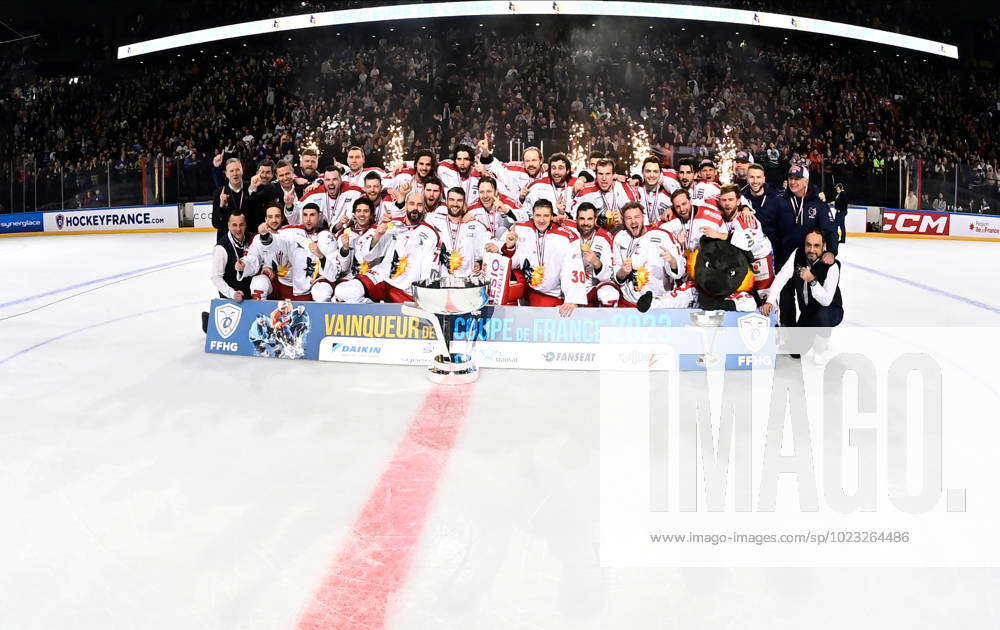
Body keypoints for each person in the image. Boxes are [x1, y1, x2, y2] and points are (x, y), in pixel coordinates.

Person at [333, 191, 441, 303]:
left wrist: (423, 294)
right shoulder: (393, 224)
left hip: (405, 288)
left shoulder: (430, 233)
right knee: (342, 291)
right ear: (406, 205)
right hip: (382, 278)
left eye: (419, 205)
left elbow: (428, 267)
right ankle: (375, 308)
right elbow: (368, 257)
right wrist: (378, 235)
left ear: (424, 208)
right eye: (412, 204)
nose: (415, 208)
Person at [491, 198, 587, 316]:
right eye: (538, 215)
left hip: (552, 295)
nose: (541, 220)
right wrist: (510, 247)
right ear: (533, 215)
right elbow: (511, 261)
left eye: (546, 216)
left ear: (552, 216)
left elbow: (573, 269)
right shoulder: (520, 229)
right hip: (527, 290)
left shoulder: (567, 237)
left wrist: (572, 300)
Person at [761, 228, 843, 363]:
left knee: (823, 317)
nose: (811, 249)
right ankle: (810, 334)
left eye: (816, 246)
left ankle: (820, 348)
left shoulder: (832, 266)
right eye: (808, 244)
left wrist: (812, 281)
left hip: (830, 310)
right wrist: (770, 301)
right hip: (808, 312)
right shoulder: (798, 254)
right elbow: (782, 277)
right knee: (795, 351)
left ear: (824, 246)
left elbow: (826, 301)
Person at [702, 184, 775, 299]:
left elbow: (749, 242)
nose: (727, 203)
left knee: (765, 295)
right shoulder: (723, 213)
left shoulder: (746, 218)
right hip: (740, 259)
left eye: (731, 200)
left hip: (759, 258)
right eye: (724, 200)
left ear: (738, 201)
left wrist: (719, 235)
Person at [611, 202, 686, 308]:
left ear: (643, 217)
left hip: (657, 303)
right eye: (628, 218)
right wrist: (623, 272)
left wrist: (672, 261)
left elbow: (679, 273)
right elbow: (617, 275)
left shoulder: (662, 235)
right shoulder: (619, 238)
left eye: (637, 217)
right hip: (629, 300)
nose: (633, 221)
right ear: (624, 220)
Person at [426, 187, 491, 278]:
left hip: (465, 283)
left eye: (459, 200)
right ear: (447, 202)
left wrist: (480, 261)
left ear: (464, 204)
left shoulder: (476, 226)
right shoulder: (432, 219)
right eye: (452, 200)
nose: (455, 204)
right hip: (439, 282)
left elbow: (488, 246)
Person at [572, 158, 638, 225]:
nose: (604, 178)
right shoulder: (585, 192)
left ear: (613, 175)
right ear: (596, 175)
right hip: (596, 233)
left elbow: (638, 218)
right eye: (600, 174)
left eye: (608, 174)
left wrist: (624, 220)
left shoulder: (626, 190)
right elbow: (574, 219)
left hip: (622, 232)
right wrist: (595, 222)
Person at [478, 139, 546, 202]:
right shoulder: (515, 170)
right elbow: (495, 166)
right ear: (523, 162)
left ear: (541, 161)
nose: (530, 164)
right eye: (527, 161)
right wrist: (485, 151)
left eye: (534, 160)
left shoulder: (549, 172)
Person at [296, 168, 365, 228]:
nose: (331, 183)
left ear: (341, 180)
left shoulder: (353, 191)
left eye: (334, 179)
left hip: (344, 231)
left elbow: (367, 194)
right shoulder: (315, 191)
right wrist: (289, 206)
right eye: (327, 180)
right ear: (324, 181)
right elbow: (296, 212)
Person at [521, 153, 576, 223]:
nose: (556, 172)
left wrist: (564, 214)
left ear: (568, 170)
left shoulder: (575, 185)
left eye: (560, 168)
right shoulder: (538, 185)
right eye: (553, 168)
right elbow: (526, 212)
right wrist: (551, 218)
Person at [211, 210, 251, 302]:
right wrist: (232, 293)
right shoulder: (221, 248)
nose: (238, 229)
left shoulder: (251, 239)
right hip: (232, 295)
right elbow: (216, 277)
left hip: (250, 292)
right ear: (228, 226)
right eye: (234, 225)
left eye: (241, 224)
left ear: (246, 225)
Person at [211, 158, 248, 240]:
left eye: (237, 170)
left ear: (242, 171)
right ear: (226, 174)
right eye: (231, 171)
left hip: (248, 240)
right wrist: (221, 206)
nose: (235, 173)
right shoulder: (219, 193)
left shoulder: (250, 188)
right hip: (226, 241)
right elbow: (215, 224)